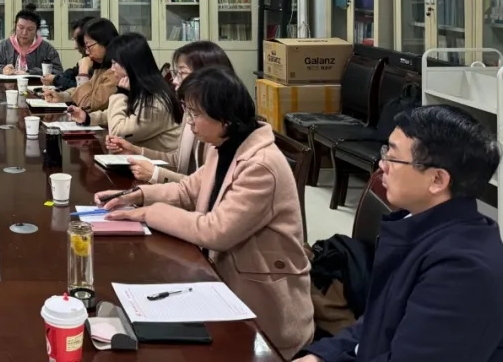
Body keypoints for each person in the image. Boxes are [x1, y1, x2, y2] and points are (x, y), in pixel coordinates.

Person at [95, 66, 313, 359]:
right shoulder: (223, 145)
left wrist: (149, 213)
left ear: (225, 117)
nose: (189, 122)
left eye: (195, 114)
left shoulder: (261, 165)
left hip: (262, 310)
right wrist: (138, 195)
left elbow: (216, 231)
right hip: (221, 282)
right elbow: (189, 190)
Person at [296, 105, 503, 362]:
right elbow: (376, 324)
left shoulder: (463, 271)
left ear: (437, 180)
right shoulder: (418, 224)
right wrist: (322, 357)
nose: (381, 165)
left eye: (393, 158)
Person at [107, 40, 234, 184]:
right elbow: (178, 161)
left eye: (182, 73)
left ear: (209, 75)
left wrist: (156, 174)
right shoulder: (191, 112)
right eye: (176, 73)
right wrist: (135, 151)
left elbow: (207, 186)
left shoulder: (219, 123)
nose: (174, 81)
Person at [65, 32, 181, 154]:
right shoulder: (143, 89)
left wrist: (120, 94)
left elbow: (117, 132)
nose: (112, 69)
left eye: (115, 63)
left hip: (159, 163)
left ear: (130, 64)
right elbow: (119, 115)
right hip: (140, 159)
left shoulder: (155, 102)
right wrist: (88, 118)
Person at [43, 18, 120, 111]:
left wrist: (83, 73)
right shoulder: (101, 67)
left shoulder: (116, 72)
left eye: (89, 46)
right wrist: (62, 96)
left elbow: (86, 105)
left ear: (104, 41)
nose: (87, 52)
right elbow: (84, 90)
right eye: (86, 47)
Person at [0, 4, 62, 77]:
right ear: (15, 26)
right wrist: (2, 70)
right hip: (9, 86)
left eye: (30, 29)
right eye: (21, 27)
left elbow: (58, 72)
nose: (24, 33)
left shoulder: (47, 49)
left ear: (36, 30)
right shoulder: (3, 47)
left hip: (37, 86)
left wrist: (31, 73)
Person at [43, 16, 95, 90]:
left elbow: (80, 89)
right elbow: (72, 73)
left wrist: (55, 79)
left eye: (78, 40)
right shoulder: (87, 58)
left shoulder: (102, 65)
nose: (75, 46)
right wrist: (56, 78)